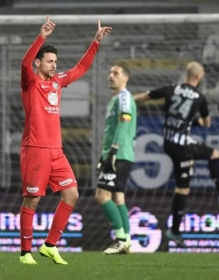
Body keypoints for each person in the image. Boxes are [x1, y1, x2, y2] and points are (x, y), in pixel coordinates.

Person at [19, 15, 111, 265]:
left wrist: (96, 42)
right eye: (49, 61)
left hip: (56, 151)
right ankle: (25, 253)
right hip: (35, 149)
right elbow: (25, 62)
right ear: (39, 62)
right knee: (32, 199)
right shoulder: (30, 81)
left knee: (71, 194)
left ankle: (49, 245)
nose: (53, 65)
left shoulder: (58, 82)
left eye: (55, 61)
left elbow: (80, 69)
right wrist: (42, 37)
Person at [134, 61, 219, 247]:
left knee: (182, 188)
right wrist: (195, 121)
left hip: (169, 143)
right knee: (214, 153)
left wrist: (124, 97)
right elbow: (207, 124)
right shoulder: (199, 97)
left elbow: (144, 97)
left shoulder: (171, 89)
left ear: (187, 74)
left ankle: (175, 231)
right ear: (199, 77)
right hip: (182, 145)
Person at [95, 61, 135, 255]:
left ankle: (120, 239)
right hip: (115, 155)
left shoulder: (125, 97)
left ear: (125, 78)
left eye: (116, 73)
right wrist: (104, 157)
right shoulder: (115, 99)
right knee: (118, 197)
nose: (111, 76)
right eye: (110, 72)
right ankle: (126, 239)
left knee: (102, 196)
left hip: (118, 155)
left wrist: (112, 152)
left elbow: (124, 124)